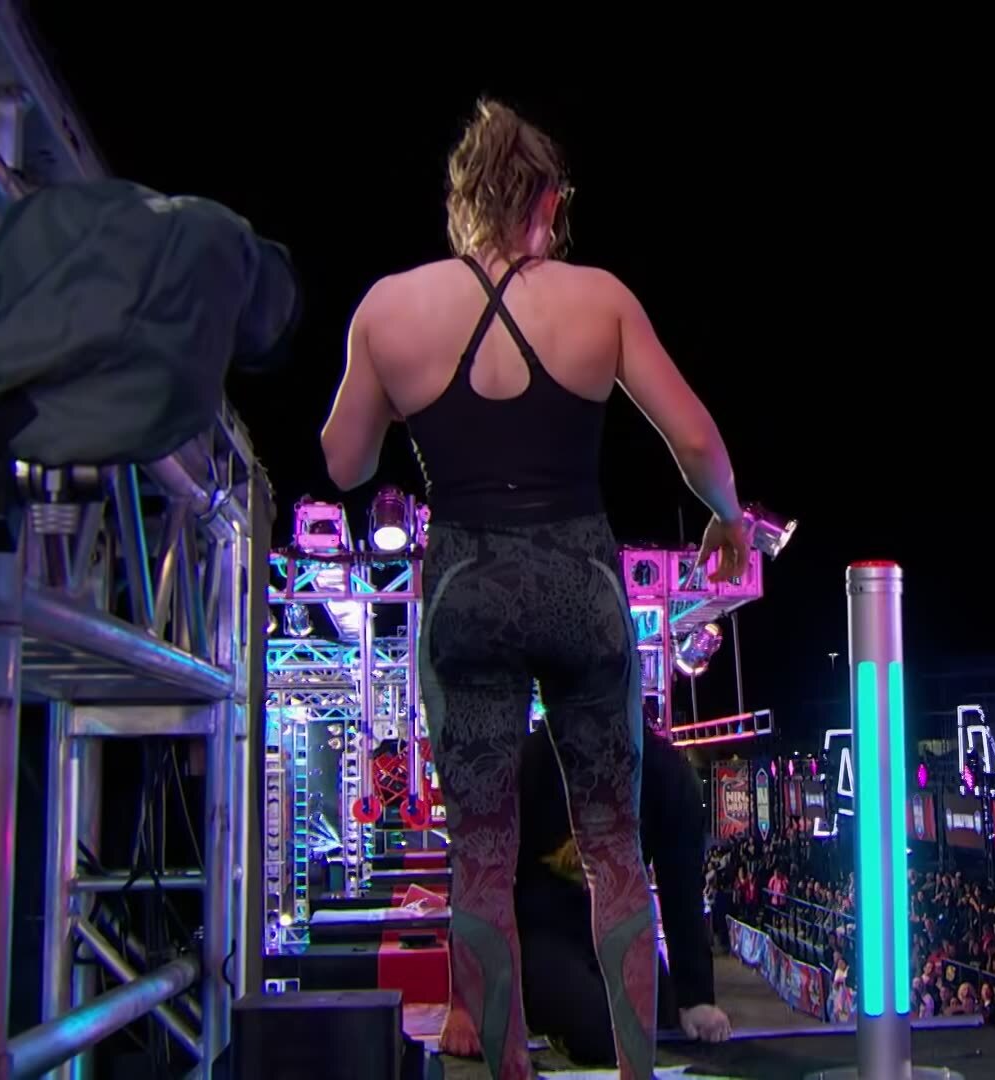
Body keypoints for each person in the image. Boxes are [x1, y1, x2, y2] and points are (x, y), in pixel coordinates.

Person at [320, 98, 750, 1080]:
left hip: (465, 584)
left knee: (481, 849)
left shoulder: (389, 307)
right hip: (577, 579)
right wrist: (725, 515)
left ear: (460, 198)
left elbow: (344, 462)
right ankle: (639, 1067)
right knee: (614, 847)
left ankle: (507, 1063)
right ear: (547, 200)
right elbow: (695, 440)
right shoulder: (599, 299)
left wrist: (402, 401)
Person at [508, 725, 733, 1064]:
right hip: (545, 930)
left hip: (622, 930)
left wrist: (695, 995)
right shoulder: (531, 760)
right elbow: (485, 875)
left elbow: (682, 887)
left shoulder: (664, 770)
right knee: (596, 1031)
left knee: (659, 1019)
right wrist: (471, 998)